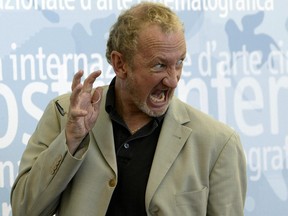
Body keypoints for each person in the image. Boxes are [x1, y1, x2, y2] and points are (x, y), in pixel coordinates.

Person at [11, 2, 247, 216]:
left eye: (179, 63)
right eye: (159, 65)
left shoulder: (218, 143)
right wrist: (71, 140)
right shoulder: (65, 114)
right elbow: (25, 210)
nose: (173, 80)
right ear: (120, 64)